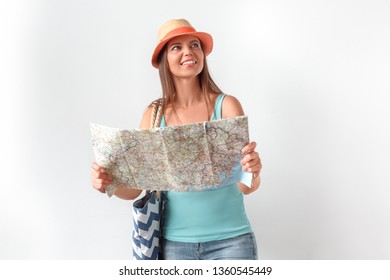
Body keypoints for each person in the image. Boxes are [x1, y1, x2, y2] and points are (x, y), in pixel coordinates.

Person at [91, 18, 262, 260]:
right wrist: (108, 182)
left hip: (232, 242)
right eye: (176, 47)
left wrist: (253, 170)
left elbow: (246, 186)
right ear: (164, 61)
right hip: (173, 245)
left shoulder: (226, 106)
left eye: (194, 45)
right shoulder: (154, 115)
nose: (188, 52)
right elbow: (136, 189)